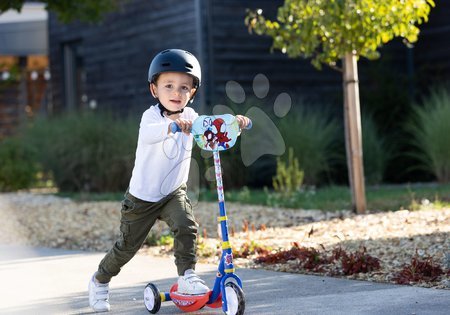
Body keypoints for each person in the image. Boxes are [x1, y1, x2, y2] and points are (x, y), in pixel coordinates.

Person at [88, 48, 250, 312]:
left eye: (184, 87)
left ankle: (187, 276)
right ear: (154, 90)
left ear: (193, 92)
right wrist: (172, 125)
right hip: (142, 198)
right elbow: (152, 134)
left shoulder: (192, 118)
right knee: (127, 248)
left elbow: (211, 132)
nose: (177, 93)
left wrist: (235, 124)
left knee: (187, 227)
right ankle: (100, 279)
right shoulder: (149, 118)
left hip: (173, 192)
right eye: (169, 86)